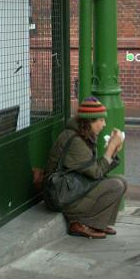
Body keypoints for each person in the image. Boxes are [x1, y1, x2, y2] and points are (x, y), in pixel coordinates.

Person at [43, 97, 127, 239]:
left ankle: (97, 223)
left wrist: (112, 152)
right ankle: (78, 222)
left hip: (73, 190)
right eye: (101, 120)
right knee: (116, 185)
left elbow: (94, 170)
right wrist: (111, 148)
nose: (104, 124)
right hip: (62, 196)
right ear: (89, 121)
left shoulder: (82, 135)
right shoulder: (75, 140)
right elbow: (96, 172)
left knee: (121, 181)